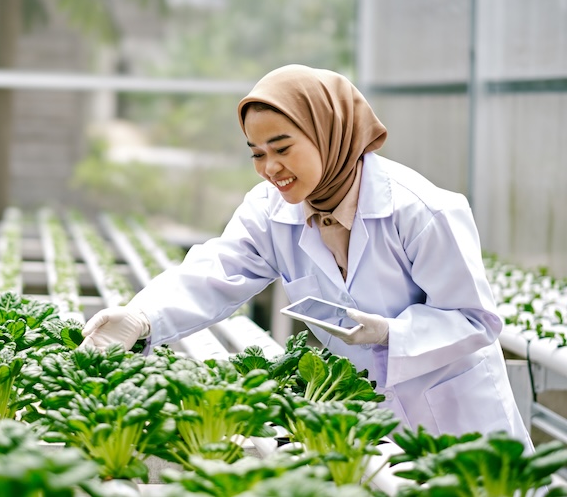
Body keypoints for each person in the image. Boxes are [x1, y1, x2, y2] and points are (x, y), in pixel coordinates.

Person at [79, 64, 532, 447]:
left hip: (458, 418)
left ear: (328, 133)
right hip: (369, 418)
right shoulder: (270, 209)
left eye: (282, 148)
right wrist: (141, 317)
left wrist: (390, 333)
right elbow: (217, 270)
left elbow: (476, 321)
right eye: (257, 153)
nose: (269, 168)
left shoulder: (420, 210)